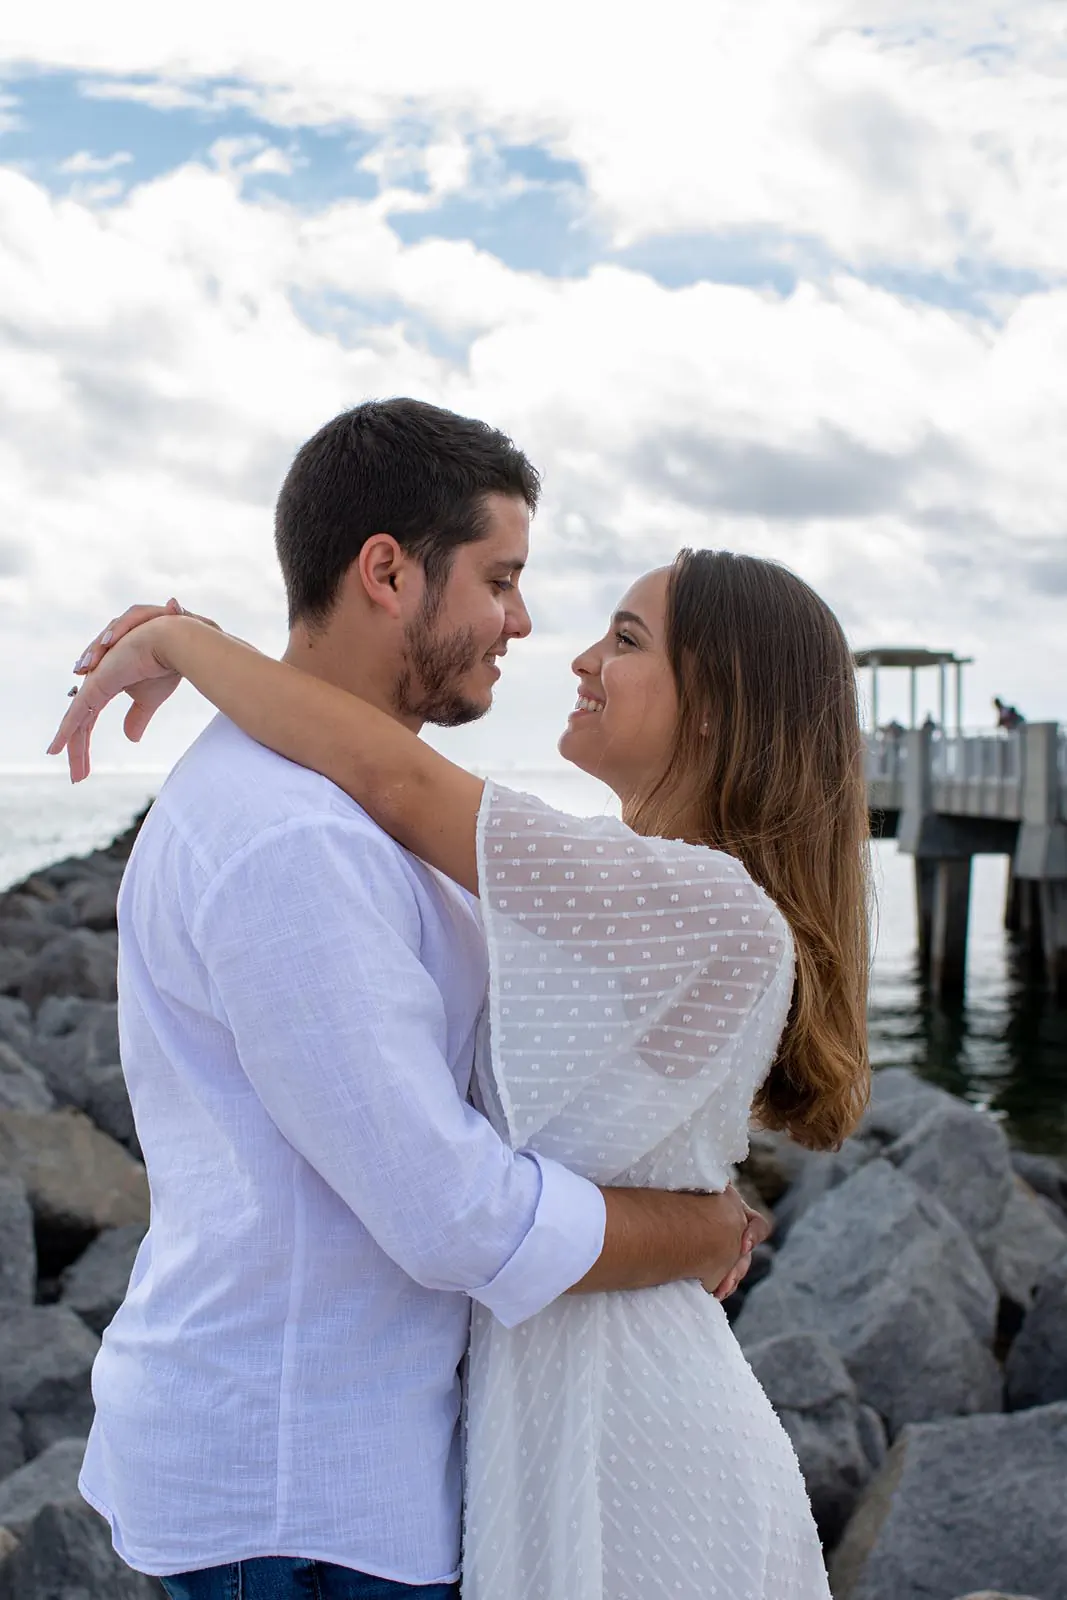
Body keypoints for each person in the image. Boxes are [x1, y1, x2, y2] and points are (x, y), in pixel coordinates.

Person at [53, 534, 872, 1599]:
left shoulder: (701, 904)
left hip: (623, 1416)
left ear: (714, 704)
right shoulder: (615, 887)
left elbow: (389, 775)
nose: (574, 656)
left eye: (623, 639)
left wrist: (185, 640)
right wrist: (705, 1224)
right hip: (539, 1398)